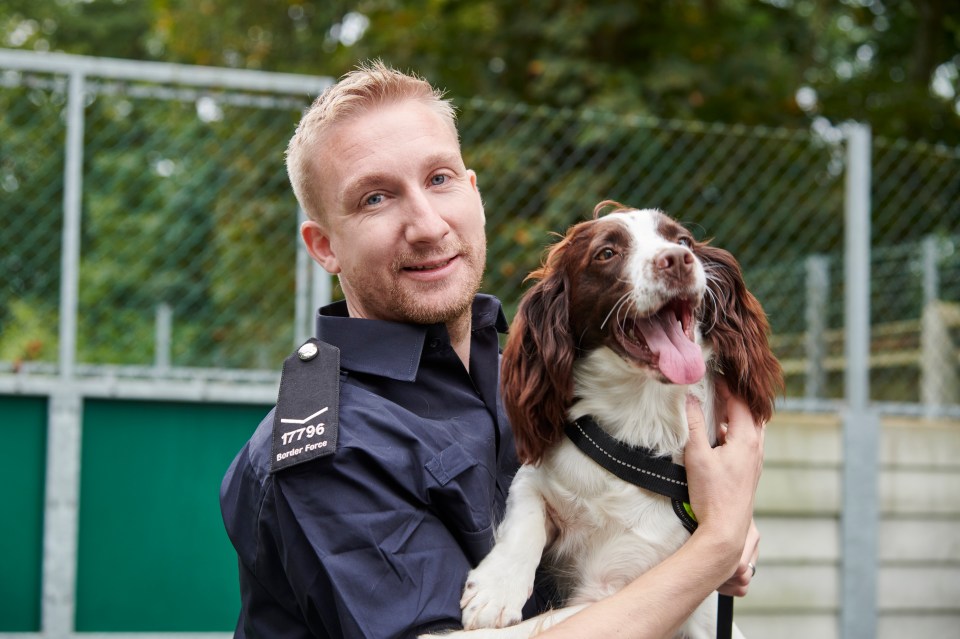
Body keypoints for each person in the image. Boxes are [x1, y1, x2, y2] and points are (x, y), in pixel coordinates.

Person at [219, 60, 763, 639]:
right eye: (376, 198)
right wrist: (713, 546)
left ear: (475, 195)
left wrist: (703, 512)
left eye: (439, 179)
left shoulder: (527, 376)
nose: (427, 225)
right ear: (324, 245)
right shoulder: (328, 443)